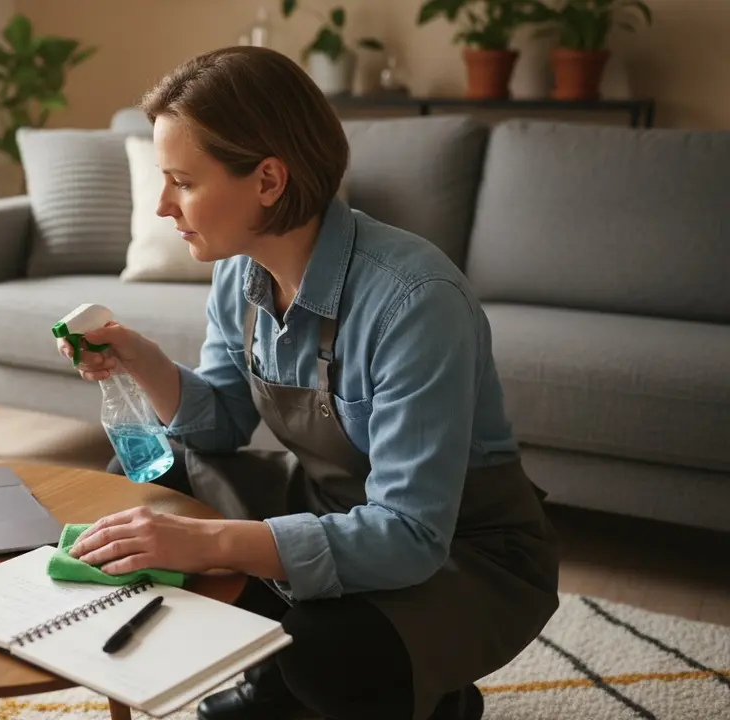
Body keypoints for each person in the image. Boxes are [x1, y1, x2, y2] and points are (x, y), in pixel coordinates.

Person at [54, 46, 560, 720]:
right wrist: (138, 357)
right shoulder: (242, 270)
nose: (163, 207)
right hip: (332, 502)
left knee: (331, 654)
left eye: (182, 180)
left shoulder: (415, 300)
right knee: (153, 479)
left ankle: (435, 697)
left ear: (268, 180)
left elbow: (410, 533)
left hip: (462, 550)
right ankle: (274, 676)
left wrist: (208, 543)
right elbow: (221, 427)